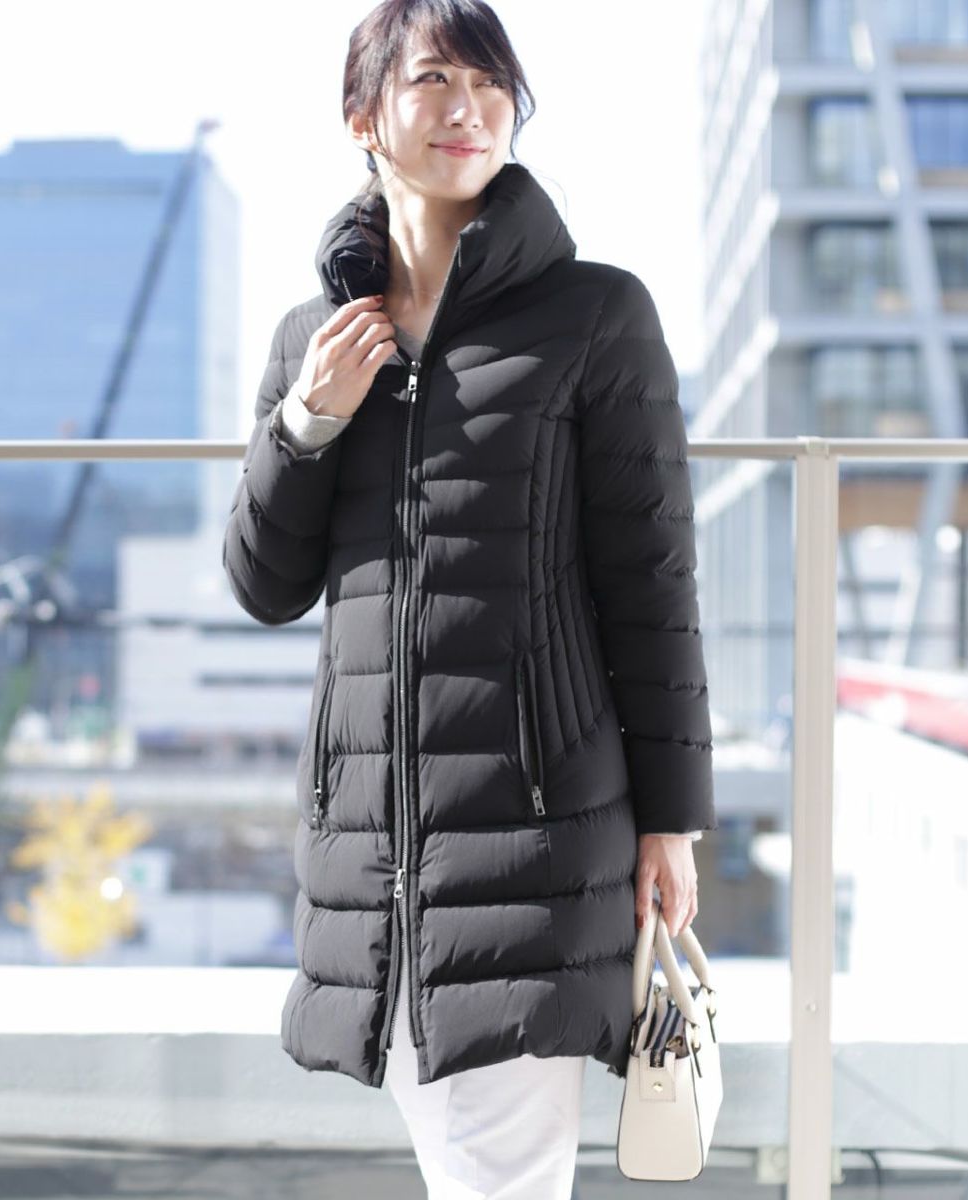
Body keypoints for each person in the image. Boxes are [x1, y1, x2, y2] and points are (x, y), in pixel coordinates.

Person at [222, 1, 716, 1195]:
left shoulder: (594, 317)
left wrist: (672, 822)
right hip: (370, 860)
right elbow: (264, 583)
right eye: (435, 79)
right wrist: (306, 424)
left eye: (492, 85)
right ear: (363, 117)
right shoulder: (313, 340)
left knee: (501, 1172)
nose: (469, 109)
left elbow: (651, 581)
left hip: (534, 837)